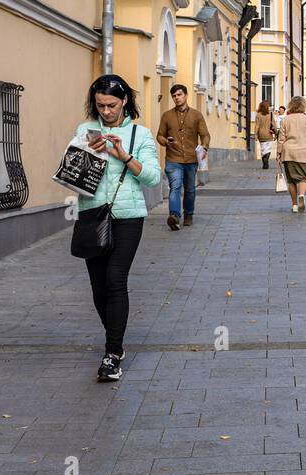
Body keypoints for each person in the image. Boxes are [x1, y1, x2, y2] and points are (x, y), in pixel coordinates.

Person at [75, 74, 161, 382]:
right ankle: (114, 334)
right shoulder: (85, 130)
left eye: (111, 105)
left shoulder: (140, 134)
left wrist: (123, 155)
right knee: (99, 289)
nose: (106, 111)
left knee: (115, 280)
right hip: (92, 215)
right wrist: (88, 154)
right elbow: (73, 176)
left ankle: (112, 353)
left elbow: (152, 177)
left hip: (128, 217)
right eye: (100, 106)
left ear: (124, 101)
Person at [157, 84, 210, 230]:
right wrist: (166, 141)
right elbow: (159, 135)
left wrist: (204, 147)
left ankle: (189, 215)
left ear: (186, 95)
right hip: (173, 159)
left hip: (191, 160)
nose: (177, 98)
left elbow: (205, 134)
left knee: (190, 190)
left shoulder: (196, 115)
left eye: (179, 95)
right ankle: (174, 216)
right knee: (175, 186)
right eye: (174, 96)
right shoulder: (167, 115)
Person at [277, 95, 306, 213]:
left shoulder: (285, 120)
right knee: (303, 178)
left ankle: (294, 205)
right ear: (304, 106)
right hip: (303, 153)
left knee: (291, 180)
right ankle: (301, 195)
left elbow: (281, 138)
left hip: (288, 152)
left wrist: (279, 153)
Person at [255, 100, 275, 170]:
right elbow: (274, 125)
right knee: (268, 149)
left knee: (263, 149)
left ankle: (264, 161)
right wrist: (275, 133)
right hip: (269, 134)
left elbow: (257, 125)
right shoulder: (270, 114)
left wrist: (256, 135)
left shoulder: (258, 115)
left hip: (261, 134)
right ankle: (266, 159)